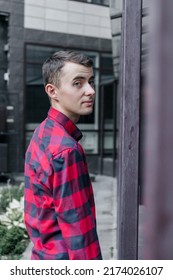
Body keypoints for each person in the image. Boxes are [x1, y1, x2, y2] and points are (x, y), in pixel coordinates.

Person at [24, 50, 102, 260]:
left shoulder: (43, 132)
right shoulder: (66, 151)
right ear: (53, 91)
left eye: (90, 81)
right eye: (78, 83)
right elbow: (80, 236)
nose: (91, 91)